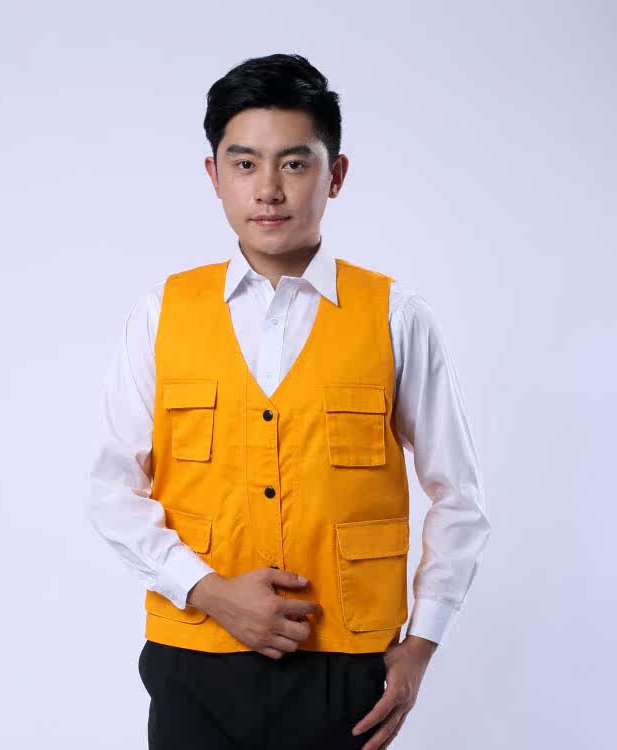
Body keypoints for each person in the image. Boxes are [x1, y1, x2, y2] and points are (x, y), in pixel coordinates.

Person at [87, 52, 491, 750]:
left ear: (336, 174)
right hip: (194, 656)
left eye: (295, 163)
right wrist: (208, 590)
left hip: (346, 668)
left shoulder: (395, 317)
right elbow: (110, 491)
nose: (269, 190)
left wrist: (422, 644)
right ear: (214, 175)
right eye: (245, 164)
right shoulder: (161, 316)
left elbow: (459, 496)